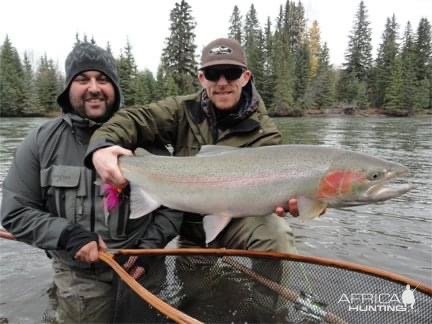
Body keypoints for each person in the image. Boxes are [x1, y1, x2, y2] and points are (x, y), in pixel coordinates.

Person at [84, 38, 300, 320]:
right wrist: (101, 148)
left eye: (232, 73)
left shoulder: (265, 133)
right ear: (202, 78)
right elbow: (134, 118)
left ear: (246, 77)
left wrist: (286, 201)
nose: (222, 82)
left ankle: (266, 311)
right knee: (197, 296)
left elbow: (277, 196)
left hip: (239, 220)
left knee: (277, 235)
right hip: (190, 226)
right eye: (213, 74)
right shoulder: (181, 110)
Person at [1, 42, 182, 323]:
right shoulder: (39, 142)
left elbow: (174, 203)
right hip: (78, 280)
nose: (94, 88)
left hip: (143, 273)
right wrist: (67, 235)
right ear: (67, 89)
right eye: (82, 79)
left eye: (103, 79)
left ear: (116, 89)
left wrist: (149, 247)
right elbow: (15, 212)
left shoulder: (147, 141)